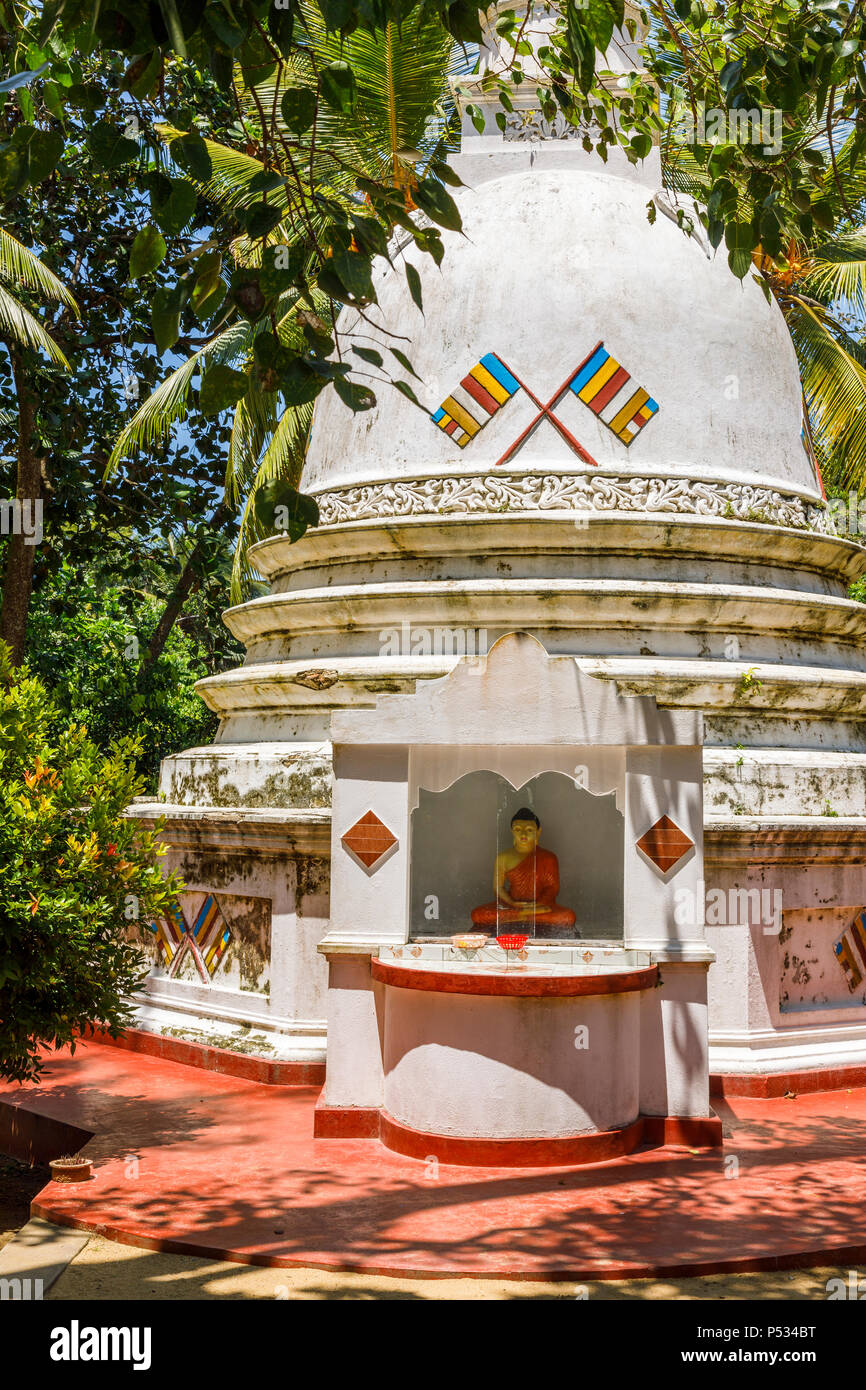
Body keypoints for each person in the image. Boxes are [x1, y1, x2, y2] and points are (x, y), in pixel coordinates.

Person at [471, 807, 576, 934]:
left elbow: (552, 888)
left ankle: (521, 916)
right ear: (512, 831)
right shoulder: (503, 858)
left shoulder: (548, 857)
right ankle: (521, 915)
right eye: (518, 830)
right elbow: (498, 888)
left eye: (529, 830)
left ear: (538, 832)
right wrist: (512, 903)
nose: (523, 835)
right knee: (478, 914)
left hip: (541, 907)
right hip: (512, 906)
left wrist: (537, 905)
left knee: (567, 916)